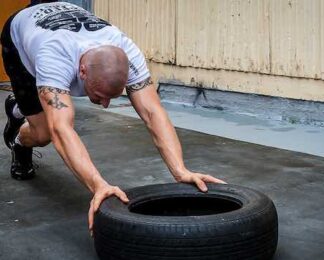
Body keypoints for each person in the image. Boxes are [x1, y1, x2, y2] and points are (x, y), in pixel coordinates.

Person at [1, 2, 226, 235]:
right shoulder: (54, 57)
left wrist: (180, 170)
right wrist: (98, 185)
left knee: (48, 120)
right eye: (100, 96)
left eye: (112, 98)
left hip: (62, 22)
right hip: (19, 36)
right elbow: (61, 130)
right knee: (44, 133)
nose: (106, 105)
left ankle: (23, 108)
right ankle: (19, 136)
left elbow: (152, 113)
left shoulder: (128, 52)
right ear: (82, 72)